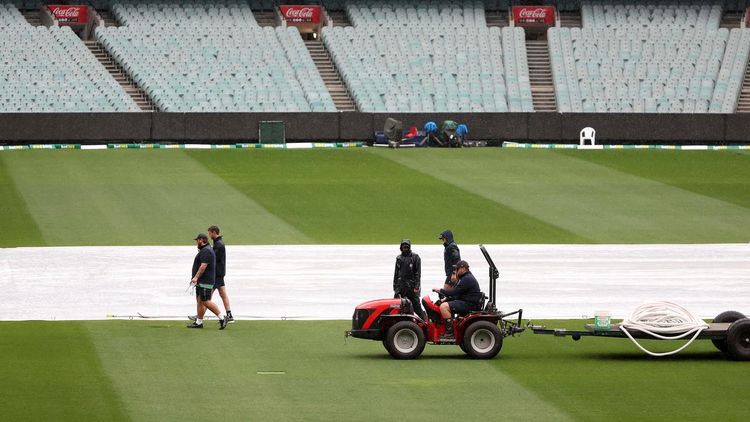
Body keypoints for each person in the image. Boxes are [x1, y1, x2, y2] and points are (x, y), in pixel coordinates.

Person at [432, 260, 482, 339]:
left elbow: (454, 292)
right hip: (467, 302)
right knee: (444, 303)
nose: (456, 271)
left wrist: (440, 290)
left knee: (444, 307)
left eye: (457, 269)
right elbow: (457, 293)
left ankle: (450, 333)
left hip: (469, 304)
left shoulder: (467, 279)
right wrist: (445, 299)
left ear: (463, 269)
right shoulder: (464, 278)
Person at [187, 233, 227, 330]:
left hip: (205, 280)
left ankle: (222, 318)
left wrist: (195, 277)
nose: (196, 242)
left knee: (205, 301)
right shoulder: (206, 250)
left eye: (197, 240)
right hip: (202, 281)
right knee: (200, 301)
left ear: (202, 240)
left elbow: (203, 266)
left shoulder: (206, 251)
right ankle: (199, 322)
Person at [393, 239, 426, 320]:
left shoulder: (415, 257)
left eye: (407, 247)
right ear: (401, 248)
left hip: (412, 288)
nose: (405, 249)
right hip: (401, 287)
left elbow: (418, 273)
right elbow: (396, 274)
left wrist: (416, 287)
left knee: (417, 307)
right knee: (398, 308)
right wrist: (395, 287)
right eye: (404, 247)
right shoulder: (399, 258)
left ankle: (425, 321)